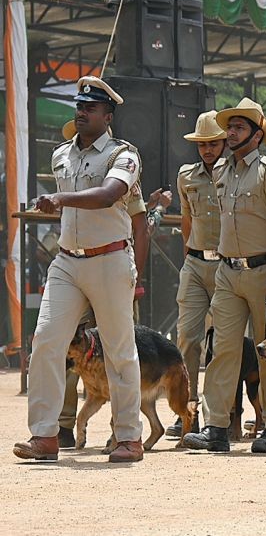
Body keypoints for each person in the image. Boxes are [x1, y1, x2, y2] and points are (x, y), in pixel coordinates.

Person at [15, 76, 145, 463]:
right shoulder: (61, 154)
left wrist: (59, 197)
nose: (82, 112)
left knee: (119, 349)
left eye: (90, 108)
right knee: (46, 339)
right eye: (79, 106)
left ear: (108, 116)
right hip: (68, 260)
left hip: (110, 258)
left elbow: (108, 195)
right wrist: (59, 201)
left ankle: (128, 437)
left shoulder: (124, 154)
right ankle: (45, 435)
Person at [182, 98, 266, 454]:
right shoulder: (221, 172)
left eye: (239, 127)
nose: (230, 133)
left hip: (265, 273)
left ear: (257, 134)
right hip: (227, 273)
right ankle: (217, 427)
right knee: (222, 350)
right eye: (229, 127)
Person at [163, 111, 227, 438]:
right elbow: (186, 217)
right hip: (196, 264)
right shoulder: (186, 175)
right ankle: (186, 411)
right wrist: (188, 257)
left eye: (213, 143)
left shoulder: (236, 173)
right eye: (202, 144)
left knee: (223, 343)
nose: (207, 149)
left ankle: (220, 414)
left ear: (226, 142)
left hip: (230, 266)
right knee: (186, 338)